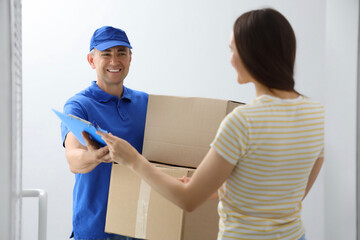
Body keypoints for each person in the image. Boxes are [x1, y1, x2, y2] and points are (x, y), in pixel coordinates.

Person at [96, 8, 324, 240]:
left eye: (233, 49)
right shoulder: (315, 114)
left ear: (253, 54)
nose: (231, 59)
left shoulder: (242, 122)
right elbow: (291, 191)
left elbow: (188, 199)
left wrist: (133, 160)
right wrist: (226, 188)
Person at [61, 26, 147, 240]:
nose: (114, 61)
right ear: (91, 60)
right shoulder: (79, 106)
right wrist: (94, 156)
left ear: (130, 58)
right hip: (96, 229)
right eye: (106, 54)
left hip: (141, 226)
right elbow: (73, 159)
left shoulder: (146, 103)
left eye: (121, 53)